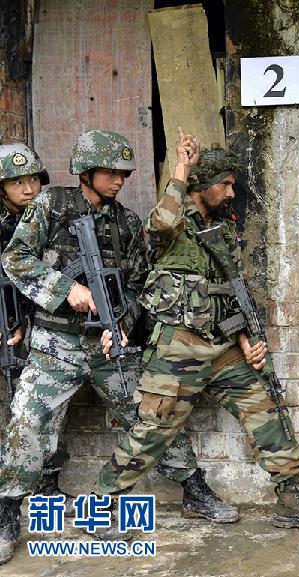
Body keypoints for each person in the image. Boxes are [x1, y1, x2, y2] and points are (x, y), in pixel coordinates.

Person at [0, 131, 236, 565]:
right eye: (110, 172)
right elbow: (15, 258)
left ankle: (193, 488)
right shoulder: (51, 205)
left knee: (153, 414)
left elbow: (137, 283)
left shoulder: (126, 223)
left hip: (108, 347)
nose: (119, 181)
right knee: (27, 422)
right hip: (56, 343)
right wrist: (66, 288)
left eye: (124, 174)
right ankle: (7, 512)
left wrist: (122, 324)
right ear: (86, 172)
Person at [93, 128, 299, 534]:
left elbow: (232, 291)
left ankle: (291, 499)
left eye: (231, 185)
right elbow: (159, 224)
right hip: (178, 346)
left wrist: (246, 338)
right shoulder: (173, 225)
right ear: (201, 185)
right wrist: (182, 168)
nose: (230, 193)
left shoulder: (224, 231)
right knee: (153, 429)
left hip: (224, 347)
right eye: (223, 184)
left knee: (269, 409)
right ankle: (101, 504)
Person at [0, 142, 71, 506]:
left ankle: (47, 481)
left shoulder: (48, 217)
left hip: (40, 322)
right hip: (7, 323)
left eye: (34, 180)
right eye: (17, 182)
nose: (28, 189)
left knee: (46, 407)